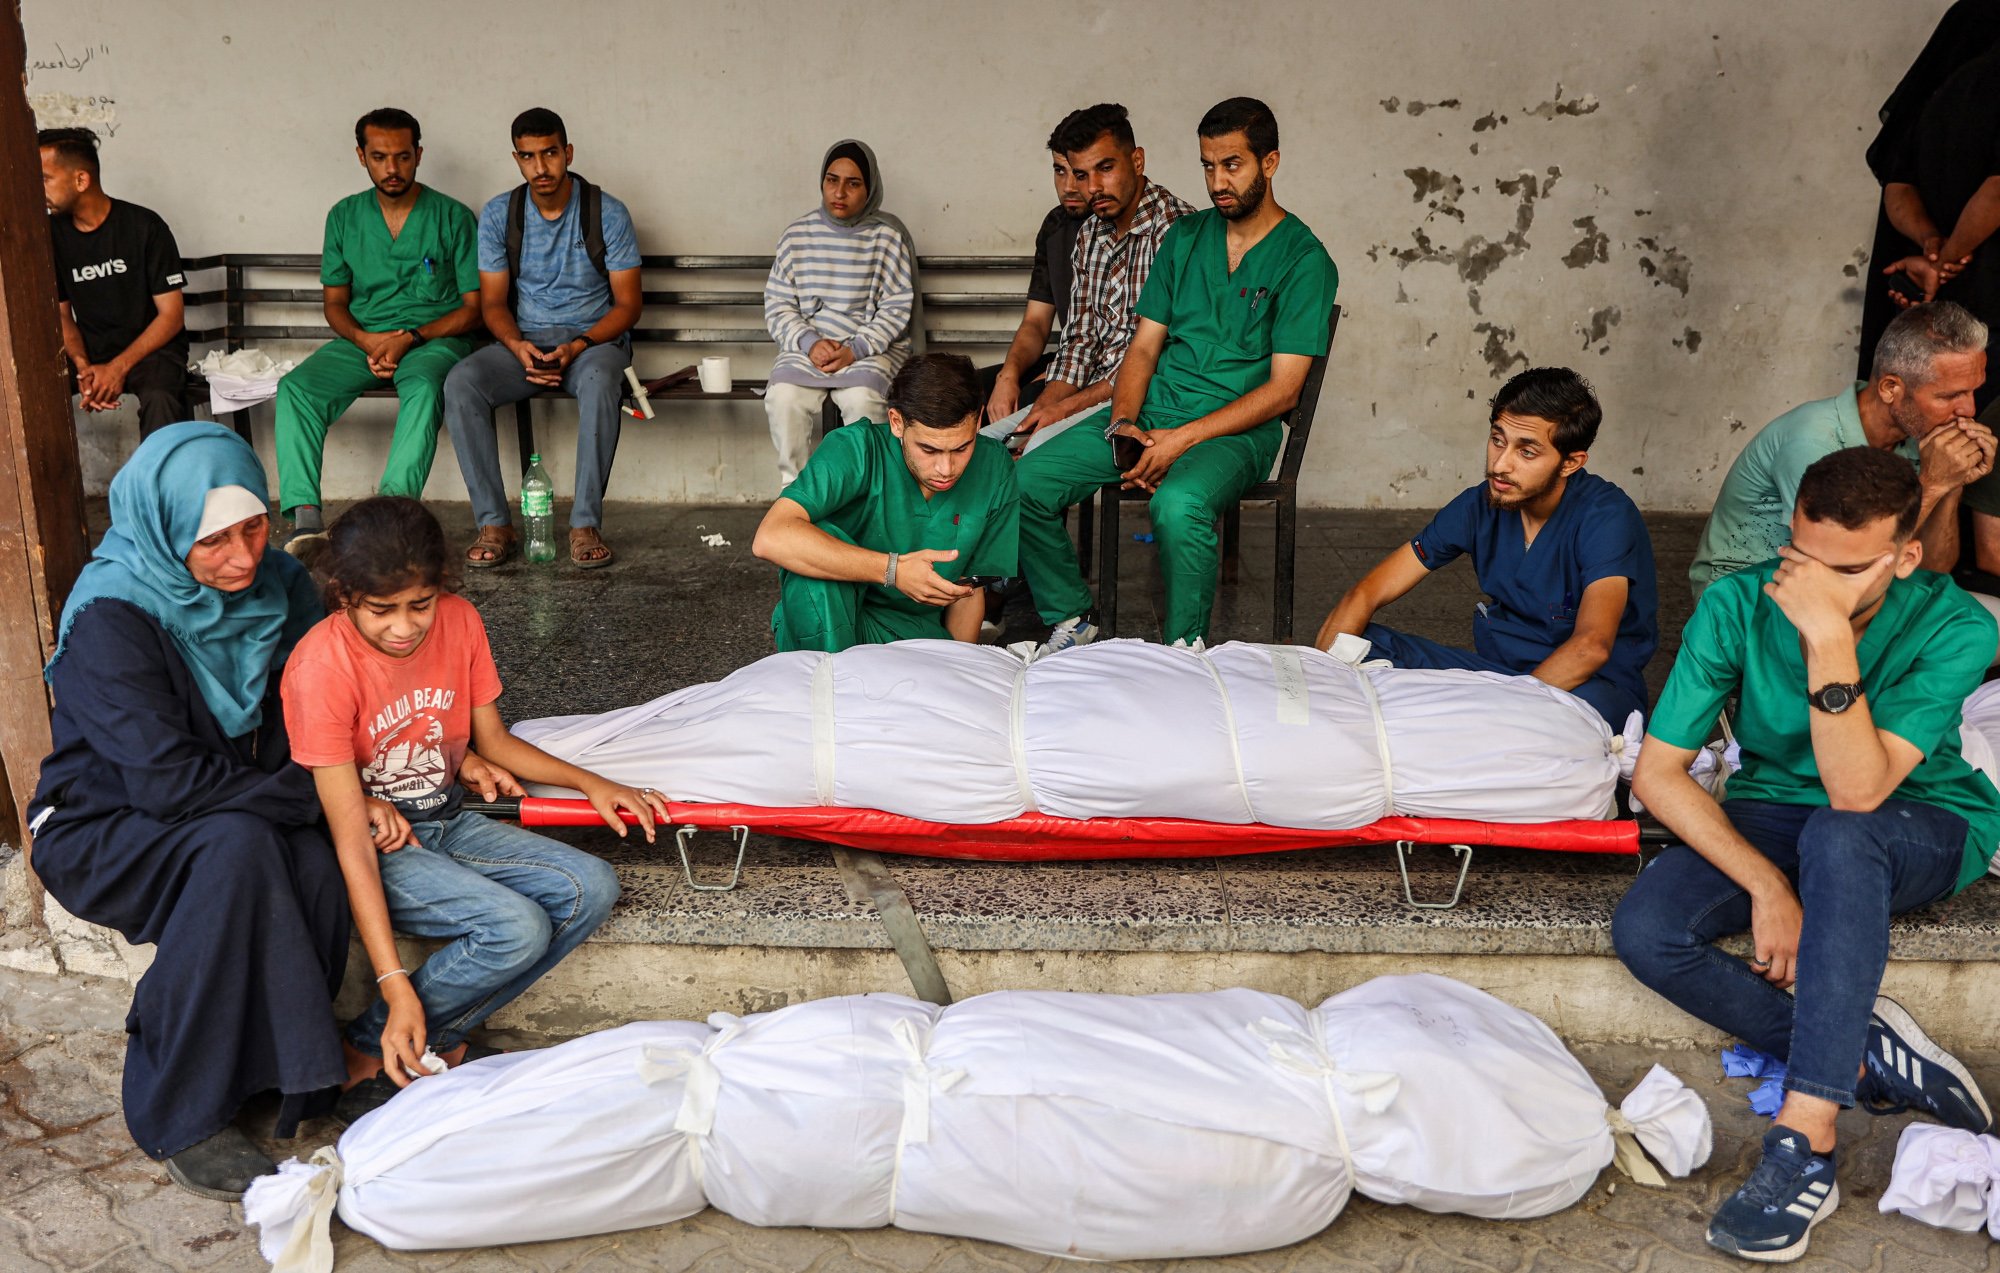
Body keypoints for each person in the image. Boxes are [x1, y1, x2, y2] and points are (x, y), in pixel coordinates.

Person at [1614, 447, 1997, 1263]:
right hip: (1777, 813)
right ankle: (1859, 1054)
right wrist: (1764, 885)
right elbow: (1657, 772)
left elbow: (1858, 791)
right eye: (1801, 560)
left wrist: (1828, 635)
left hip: (1917, 817)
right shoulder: (1737, 602)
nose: (1812, 584)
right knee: (1647, 927)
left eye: (1846, 570)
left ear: (1905, 557)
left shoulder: (1957, 622)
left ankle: (1807, 1136)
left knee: (1840, 832)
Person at [26, 423, 347, 1200]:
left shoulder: (282, 585)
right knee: (245, 848)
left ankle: (276, 1075)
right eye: (212, 540)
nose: (242, 556)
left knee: (313, 859)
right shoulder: (112, 613)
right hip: (103, 821)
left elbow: (323, 708)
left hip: (229, 803)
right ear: (166, 527)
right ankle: (178, 1106)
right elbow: (166, 782)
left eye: (254, 526)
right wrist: (316, 794)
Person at [281, 496, 654, 1122]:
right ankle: (394, 1037)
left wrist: (593, 783)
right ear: (343, 595)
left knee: (593, 883)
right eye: (382, 611)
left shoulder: (460, 621)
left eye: (418, 605)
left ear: (440, 589)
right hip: (376, 848)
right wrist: (392, 979)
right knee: (515, 927)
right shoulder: (321, 666)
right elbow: (348, 839)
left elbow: (496, 741)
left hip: (446, 818)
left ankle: (387, 1040)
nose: (404, 627)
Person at [1012, 97, 1338, 653]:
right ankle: (1072, 616)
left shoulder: (1305, 261)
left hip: (1235, 433)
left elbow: (1283, 392)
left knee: (1178, 504)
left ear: (1271, 162)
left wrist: (1179, 441)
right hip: (1156, 411)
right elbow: (1142, 350)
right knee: (1024, 483)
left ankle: (1186, 650)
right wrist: (1124, 426)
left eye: (1232, 164)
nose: (1217, 182)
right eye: (1208, 166)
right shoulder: (1185, 239)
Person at [1312, 367, 1657, 730]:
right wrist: (1320, 678)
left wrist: (1504, 713)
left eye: (1527, 452)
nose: (1500, 464)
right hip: (1498, 679)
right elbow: (1368, 592)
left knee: (1581, 720)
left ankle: (1475, 726)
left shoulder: (1605, 516)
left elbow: (1592, 646)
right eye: (1497, 439)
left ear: (1570, 462)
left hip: (1586, 689)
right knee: (1359, 642)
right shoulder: (1480, 505)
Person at [444, 107, 642, 570]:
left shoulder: (605, 212)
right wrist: (517, 347)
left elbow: (628, 305)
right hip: (526, 344)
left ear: (567, 152)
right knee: (461, 382)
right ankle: (495, 523)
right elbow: (492, 303)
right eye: (529, 157)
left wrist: (578, 346)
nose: (541, 167)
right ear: (516, 158)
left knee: (598, 384)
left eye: (550, 153)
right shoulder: (500, 214)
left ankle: (584, 524)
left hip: (593, 346)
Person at [1689, 302, 1993, 597]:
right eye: (1949, 396)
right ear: (1890, 389)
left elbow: (1931, 573)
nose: (1968, 409)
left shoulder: (1921, 437)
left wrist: (1952, 482)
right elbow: (1845, 562)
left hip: (1850, 590)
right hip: (1752, 600)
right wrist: (1934, 482)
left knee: (1981, 622)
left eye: (1972, 391)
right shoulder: (1814, 441)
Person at [275, 108, 482, 540]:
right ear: (361, 156)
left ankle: (391, 514)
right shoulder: (344, 217)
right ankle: (306, 520)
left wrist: (411, 337)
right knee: (296, 389)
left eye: (403, 157)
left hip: (431, 341)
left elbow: (473, 309)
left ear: (419, 155)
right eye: (380, 157)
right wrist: (366, 339)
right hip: (363, 341)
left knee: (425, 389)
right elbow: (335, 303)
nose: (392, 168)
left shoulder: (452, 216)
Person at [752, 352, 1018, 651]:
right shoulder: (855, 449)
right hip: (832, 621)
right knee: (817, 546)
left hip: (916, 635)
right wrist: (893, 570)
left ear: (979, 419)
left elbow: (968, 591)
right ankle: (830, 686)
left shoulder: (994, 467)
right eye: (928, 450)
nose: (946, 469)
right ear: (896, 423)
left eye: (961, 448)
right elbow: (770, 537)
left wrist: (958, 669)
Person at [1004, 103, 1195, 440]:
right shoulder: (1090, 234)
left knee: (1028, 466)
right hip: (1087, 398)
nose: (1091, 187)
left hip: (1148, 407)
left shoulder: (1179, 233)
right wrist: (1040, 413)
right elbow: (1079, 342)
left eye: (1105, 168)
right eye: (1080, 174)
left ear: (1137, 161)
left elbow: (1162, 355)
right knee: (994, 445)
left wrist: (1066, 409)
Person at [763, 139, 921, 485]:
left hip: (868, 349)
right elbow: (778, 303)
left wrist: (855, 349)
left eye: (853, 183)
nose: (839, 192)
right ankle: (797, 495)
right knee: (783, 397)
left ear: (870, 188)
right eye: (832, 180)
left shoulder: (886, 237)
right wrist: (809, 342)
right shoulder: (797, 236)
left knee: (864, 400)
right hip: (809, 349)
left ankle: (865, 494)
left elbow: (896, 307)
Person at [39, 126, 189, 436]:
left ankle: (153, 485)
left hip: (152, 350)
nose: (37, 189)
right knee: (31, 387)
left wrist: (116, 368)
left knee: (160, 397)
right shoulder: (50, 235)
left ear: (81, 180)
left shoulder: (144, 226)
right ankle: (47, 485)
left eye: (44, 179)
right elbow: (62, 314)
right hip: (91, 351)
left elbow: (171, 316)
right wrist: (82, 364)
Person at [984, 112, 1091, 420]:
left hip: (1100, 372)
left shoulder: (1112, 226)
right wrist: (1009, 375)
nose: (1069, 186)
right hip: (1066, 361)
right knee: (960, 392)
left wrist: (1051, 379)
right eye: (1059, 171)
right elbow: (1036, 322)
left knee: (1023, 406)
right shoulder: (1055, 225)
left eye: (1079, 174)